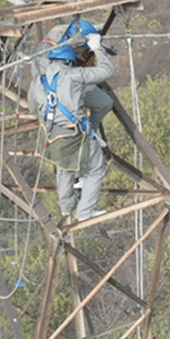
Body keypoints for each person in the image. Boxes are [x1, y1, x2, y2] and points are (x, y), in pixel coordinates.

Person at [29, 24, 115, 221]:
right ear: (69, 61)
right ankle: (85, 212)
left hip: (52, 133)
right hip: (74, 133)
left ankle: (66, 205)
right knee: (96, 169)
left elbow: (34, 108)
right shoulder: (73, 75)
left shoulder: (39, 81)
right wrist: (97, 48)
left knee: (64, 164)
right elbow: (106, 70)